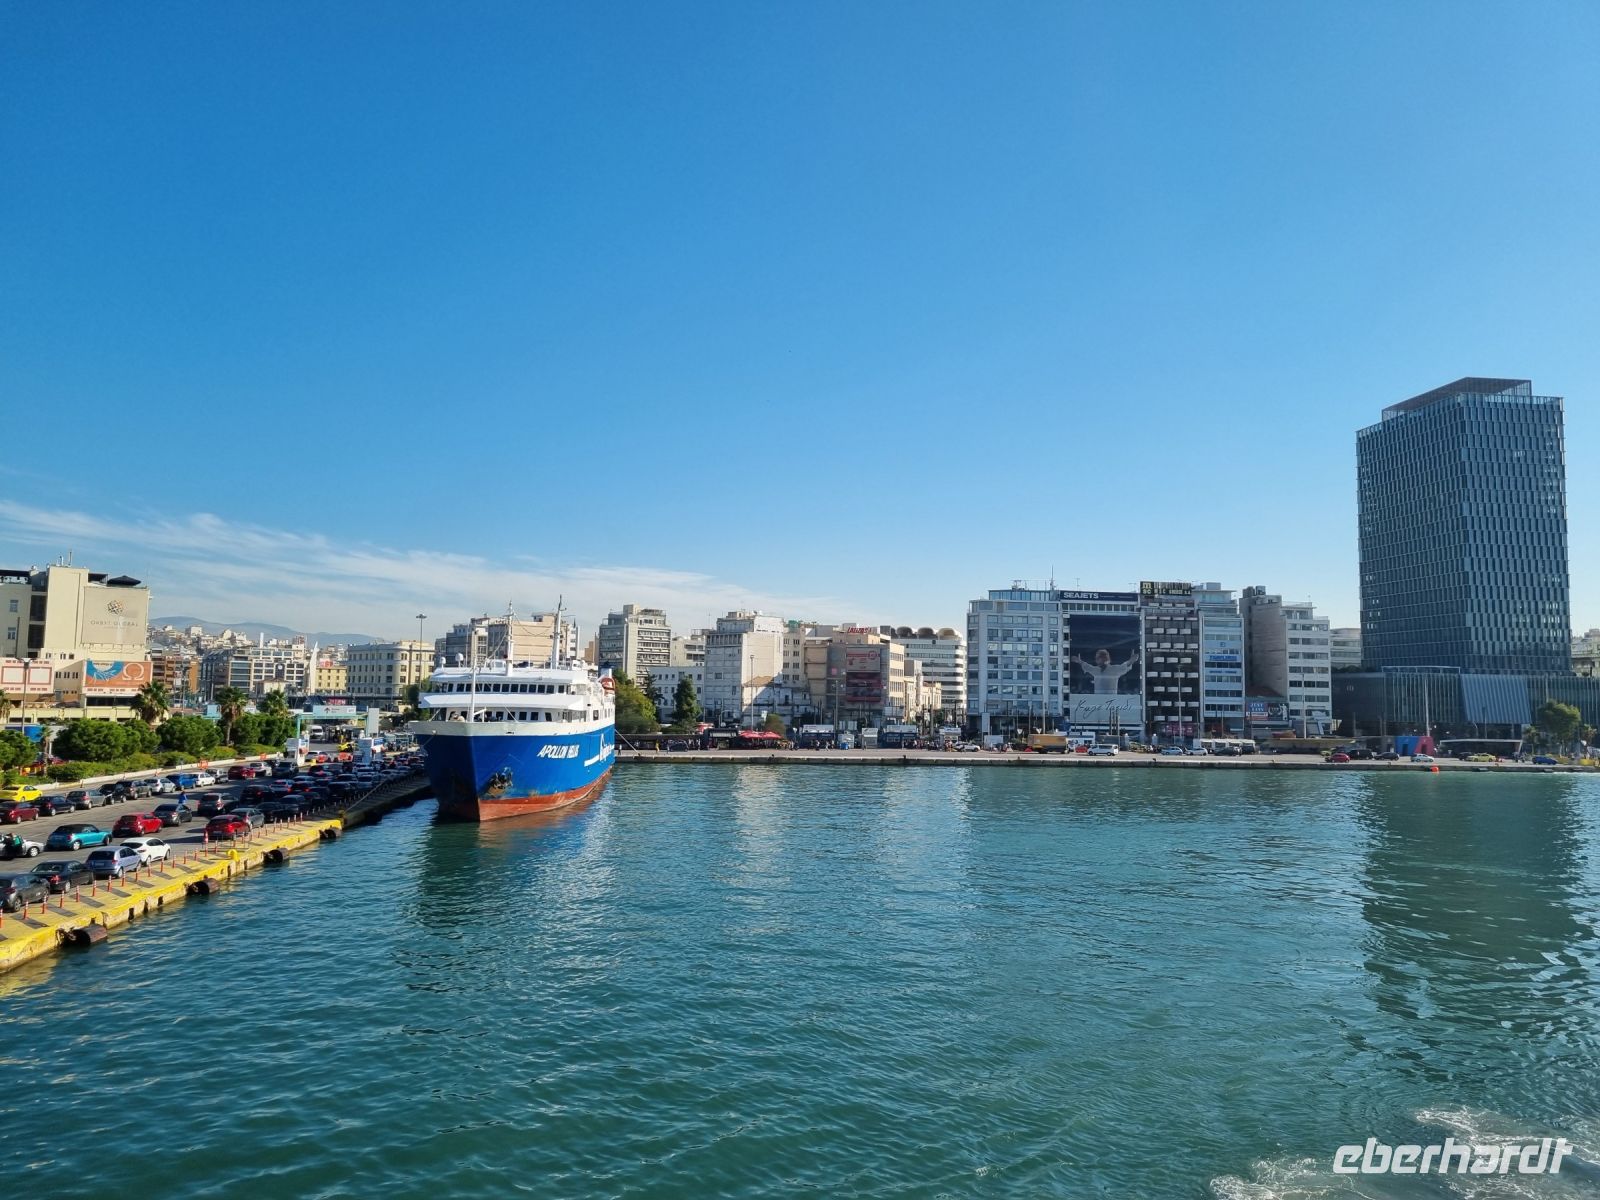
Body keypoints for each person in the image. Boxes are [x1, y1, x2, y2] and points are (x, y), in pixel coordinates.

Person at [1075, 647, 1140, 695]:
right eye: (1099, 657)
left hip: (1111, 701)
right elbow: (1087, 666)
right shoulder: (1095, 670)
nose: (1102, 659)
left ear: (1108, 658)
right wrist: (1079, 661)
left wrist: (1131, 661)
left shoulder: (1114, 669)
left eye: (1104, 656)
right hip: (1098, 702)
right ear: (1096, 659)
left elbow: (1125, 666)